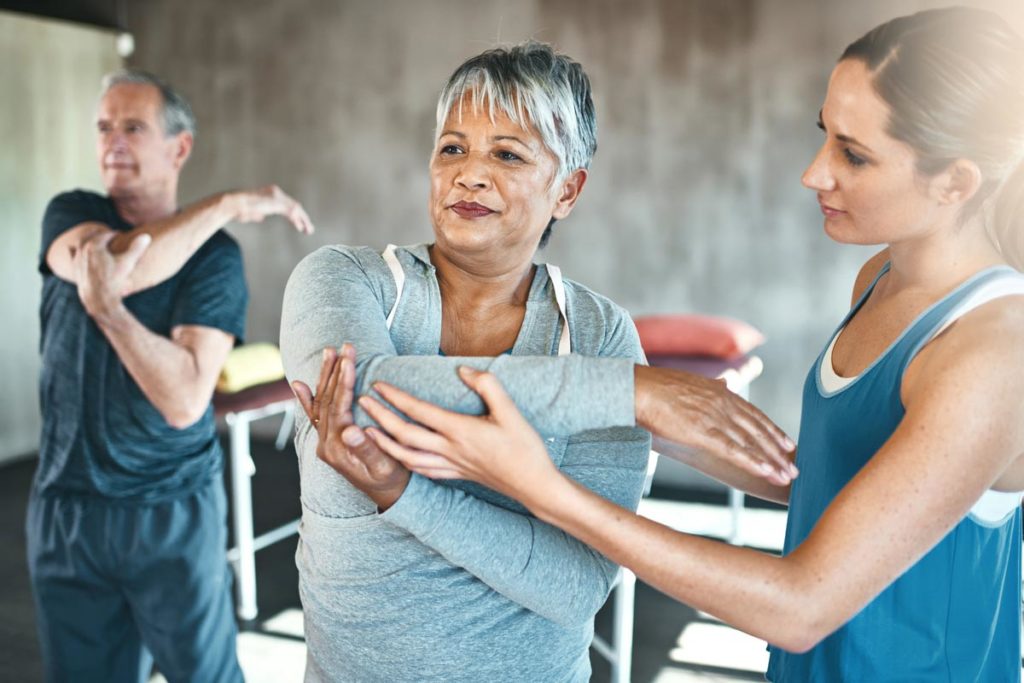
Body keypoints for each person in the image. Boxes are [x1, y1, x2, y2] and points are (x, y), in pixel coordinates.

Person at [346, 8, 1024, 682]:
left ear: (955, 182)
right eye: (826, 135)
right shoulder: (878, 278)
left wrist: (542, 486)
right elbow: (844, 481)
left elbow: (801, 604)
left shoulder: (992, 353)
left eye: (854, 153)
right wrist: (644, 414)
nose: (814, 173)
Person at [282, 42, 793, 682]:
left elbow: (575, 586)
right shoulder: (345, 280)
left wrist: (403, 492)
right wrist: (628, 393)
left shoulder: (598, 336)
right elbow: (360, 396)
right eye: (452, 148)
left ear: (567, 190)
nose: (469, 174)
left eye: (507, 153)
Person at [28, 69, 313, 683]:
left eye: (133, 127)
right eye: (104, 127)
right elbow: (110, 269)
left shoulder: (215, 258)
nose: (113, 142)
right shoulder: (72, 212)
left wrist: (108, 311)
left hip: (167, 510)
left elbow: (185, 401)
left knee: (203, 675)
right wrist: (232, 204)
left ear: (179, 148)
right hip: (66, 508)